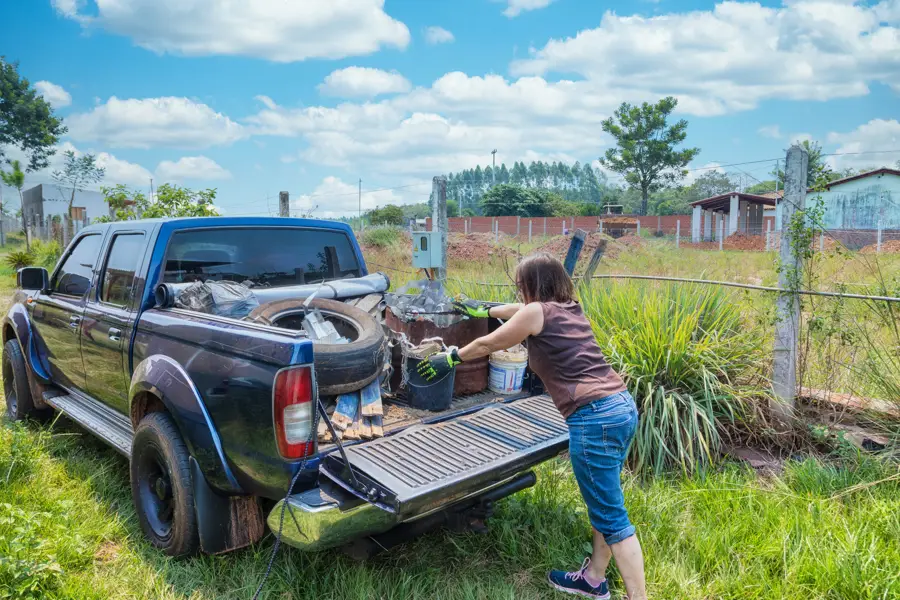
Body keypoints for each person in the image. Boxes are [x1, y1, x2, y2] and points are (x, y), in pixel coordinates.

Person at [417, 253, 647, 600]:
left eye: (519, 285)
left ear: (530, 285)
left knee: (613, 519)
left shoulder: (536, 313)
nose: (518, 291)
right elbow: (516, 311)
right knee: (605, 500)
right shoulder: (569, 307)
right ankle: (594, 579)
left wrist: (449, 358)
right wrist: (485, 310)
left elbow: (488, 343)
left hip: (594, 417)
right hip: (620, 407)